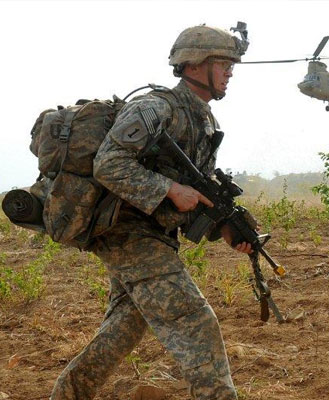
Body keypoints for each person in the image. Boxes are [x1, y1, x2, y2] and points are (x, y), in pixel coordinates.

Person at [51, 24, 252, 399]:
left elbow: (196, 191)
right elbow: (108, 164)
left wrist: (224, 227)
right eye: (223, 64)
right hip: (126, 231)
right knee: (194, 322)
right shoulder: (155, 108)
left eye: (231, 66)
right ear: (194, 64)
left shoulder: (205, 121)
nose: (230, 73)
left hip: (154, 234)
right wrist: (170, 189)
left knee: (124, 328)